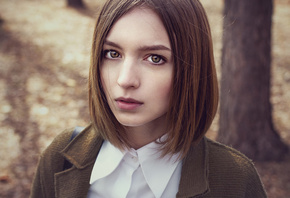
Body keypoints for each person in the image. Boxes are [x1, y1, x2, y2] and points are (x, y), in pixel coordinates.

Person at [30, 0, 267, 197]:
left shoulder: (235, 180)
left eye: (154, 58)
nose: (125, 80)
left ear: (191, 69)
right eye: (112, 53)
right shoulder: (60, 157)